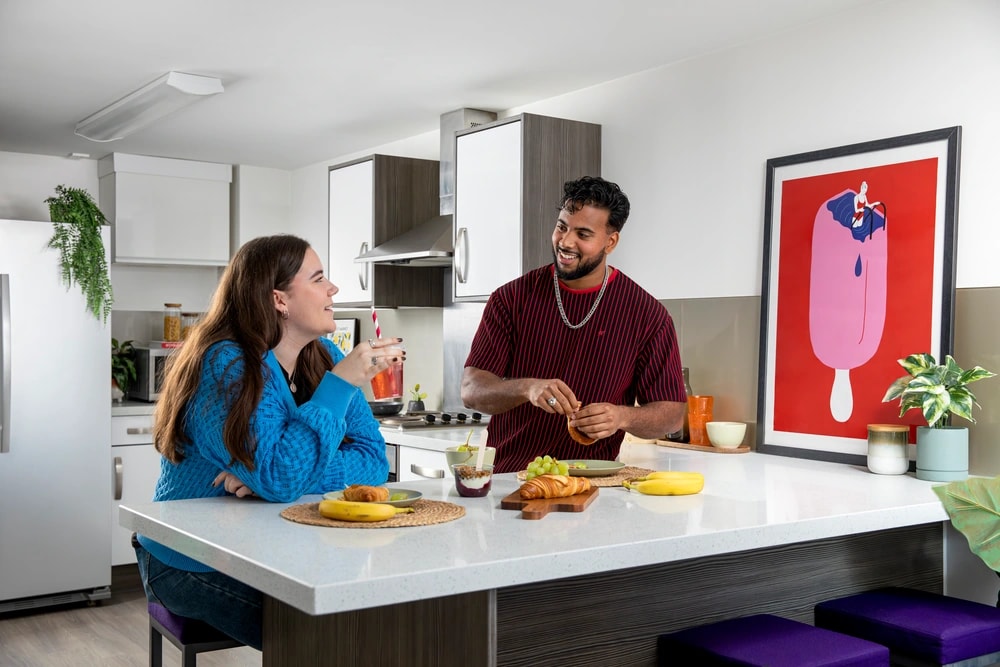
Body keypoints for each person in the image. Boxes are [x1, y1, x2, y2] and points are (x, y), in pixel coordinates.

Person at [132, 234, 399, 650]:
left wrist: (271, 481)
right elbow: (279, 475)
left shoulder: (324, 355)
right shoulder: (227, 363)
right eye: (319, 278)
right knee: (327, 639)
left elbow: (371, 461)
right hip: (190, 561)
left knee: (373, 620)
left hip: (272, 548)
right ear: (280, 299)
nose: (334, 289)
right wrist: (339, 387)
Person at [461, 176, 687, 473]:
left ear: (610, 241)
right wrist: (527, 388)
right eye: (562, 227)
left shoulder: (648, 315)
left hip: (596, 486)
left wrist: (621, 417)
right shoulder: (511, 299)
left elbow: (671, 415)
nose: (566, 242)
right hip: (511, 480)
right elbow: (471, 390)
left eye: (583, 233)